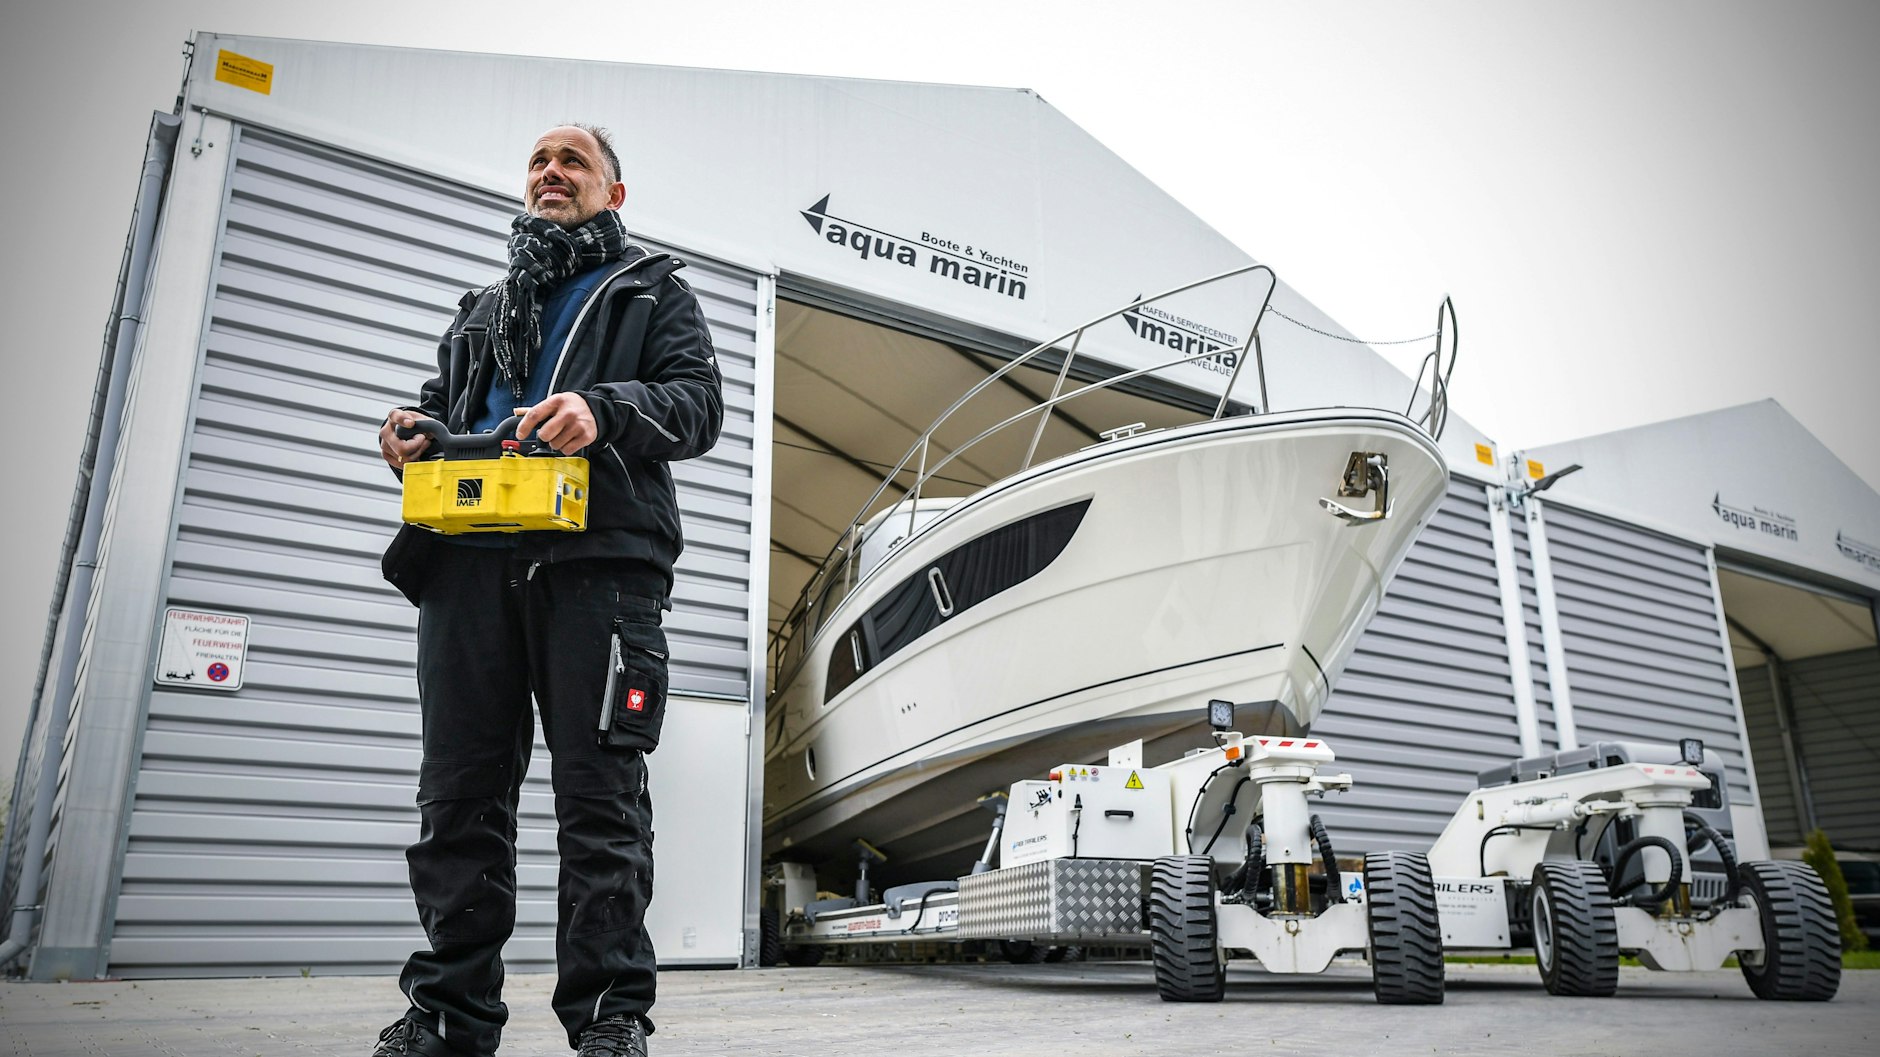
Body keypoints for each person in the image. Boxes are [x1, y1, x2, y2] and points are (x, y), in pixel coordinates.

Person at [371, 123, 722, 1057]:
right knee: (458, 799)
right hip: (466, 562)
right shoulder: (484, 305)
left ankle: (609, 1019)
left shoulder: (651, 291)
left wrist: (602, 410)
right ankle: (450, 1013)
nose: (551, 172)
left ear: (614, 190)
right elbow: (449, 409)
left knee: (600, 801)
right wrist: (413, 428)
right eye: (538, 161)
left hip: (598, 567)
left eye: (573, 161)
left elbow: (697, 406)